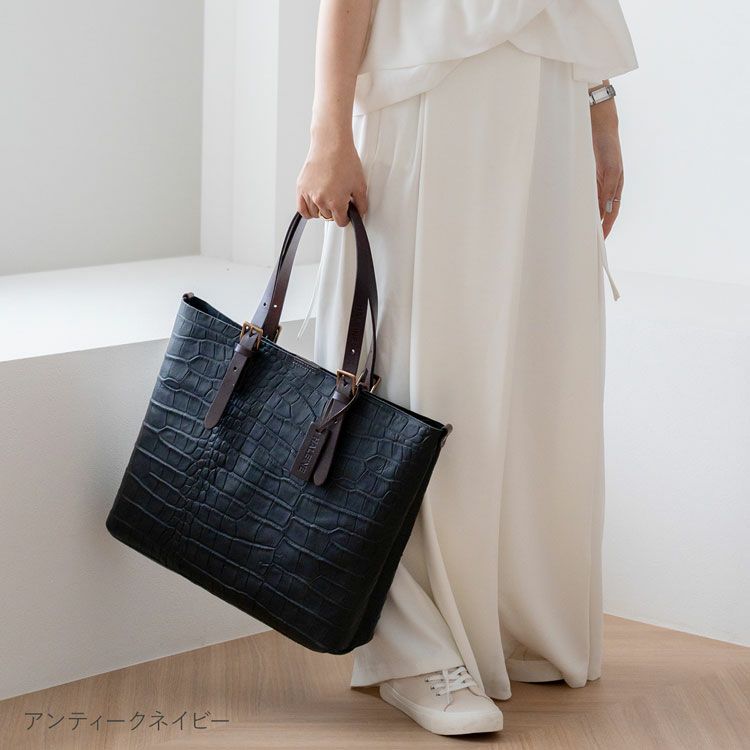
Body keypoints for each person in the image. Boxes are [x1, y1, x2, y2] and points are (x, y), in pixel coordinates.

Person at [295, 0, 637, 737]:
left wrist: (600, 105)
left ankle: (506, 612)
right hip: (431, 87)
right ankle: (412, 645)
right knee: (423, 368)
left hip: (546, 92)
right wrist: (328, 129)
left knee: (536, 367)